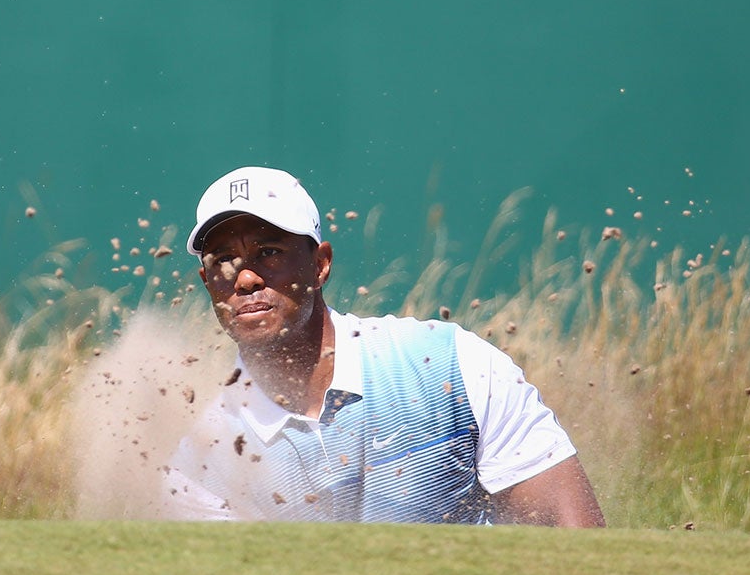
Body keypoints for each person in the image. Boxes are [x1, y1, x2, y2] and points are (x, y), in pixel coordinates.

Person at [161, 166, 604, 525]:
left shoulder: (450, 364)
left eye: (269, 252)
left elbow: (574, 540)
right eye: (223, 260)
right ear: (206, 283)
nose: (245, 278)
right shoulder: (203, 455)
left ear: (320, 265)